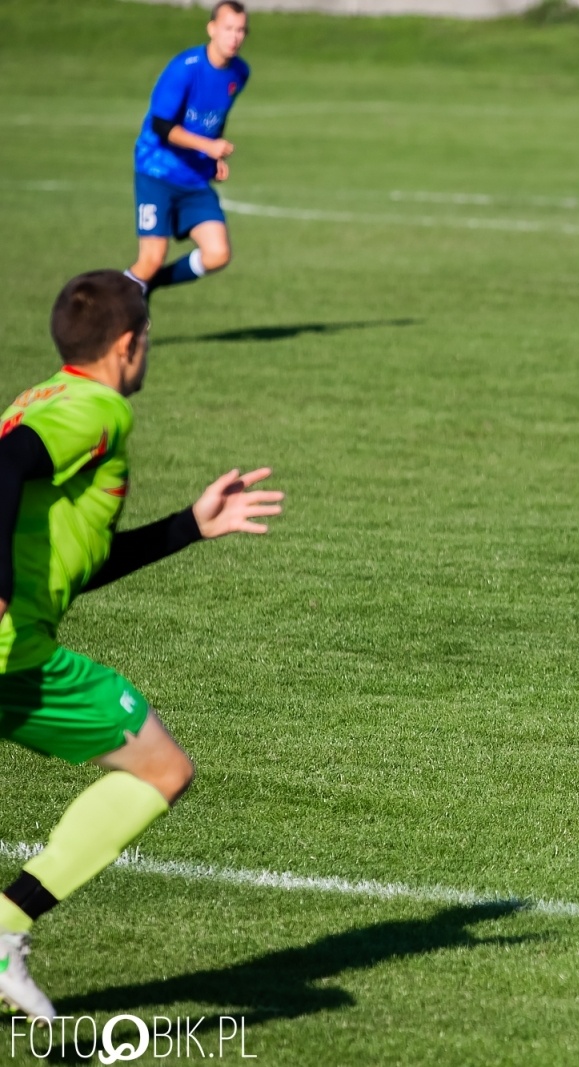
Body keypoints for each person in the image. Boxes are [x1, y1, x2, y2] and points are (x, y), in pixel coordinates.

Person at [0, 271, 283, 1019]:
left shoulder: (41, 397)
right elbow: (4, 466)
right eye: (148, 338)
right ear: (127, 345)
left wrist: (188, 527)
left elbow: (75, 564)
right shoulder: (99, 409)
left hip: (19, 647)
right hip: (12, 653)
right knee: (161, 767)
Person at [124, 1, 250, 299]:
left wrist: (213, 158)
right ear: (211, 29)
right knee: (151, 259)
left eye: (241, 30)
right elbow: (162, 126)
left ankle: (147, 285)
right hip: (157, 171)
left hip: (193, 177)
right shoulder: (185, 68)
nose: (235, 37)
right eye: (228, 28)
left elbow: (216, 118)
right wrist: (209, 146)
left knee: (217, 253)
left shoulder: (239, 72)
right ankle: (118, 300)